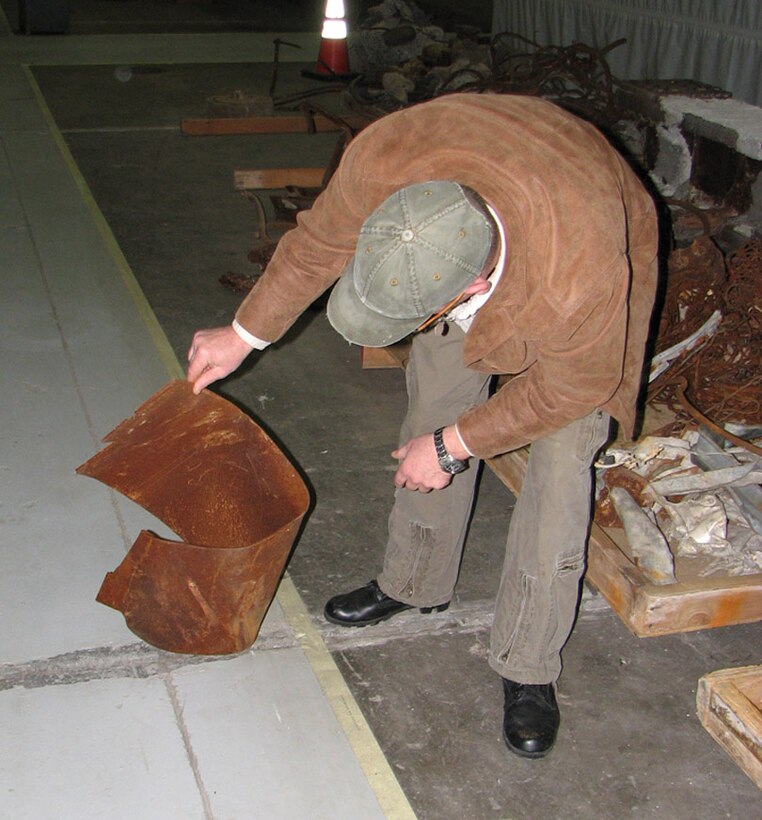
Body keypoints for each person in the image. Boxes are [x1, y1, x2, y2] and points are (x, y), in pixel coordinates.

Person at [187, 93, 658, 759]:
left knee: (558, 474)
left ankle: (528, 664)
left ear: (464, 291)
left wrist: (455, 446)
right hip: (499, 191)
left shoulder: (581, 277)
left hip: (582, 239)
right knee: (432, 400)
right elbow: (320, 240)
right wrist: (244, 332)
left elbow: (573, 387)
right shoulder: (386, 158)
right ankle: (414, 581)